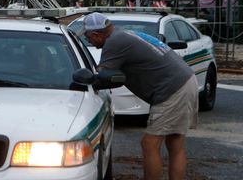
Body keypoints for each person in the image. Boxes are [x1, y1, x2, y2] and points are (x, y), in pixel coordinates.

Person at [84, 12, 197, 180]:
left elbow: (102, 76)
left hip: (172, 89)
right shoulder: (123, 34)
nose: (88, 41)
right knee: (175, 143)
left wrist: (83, 80)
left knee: (149, 144)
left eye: (88, 37)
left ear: (96, 34)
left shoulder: (114, 42)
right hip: (185, 80)